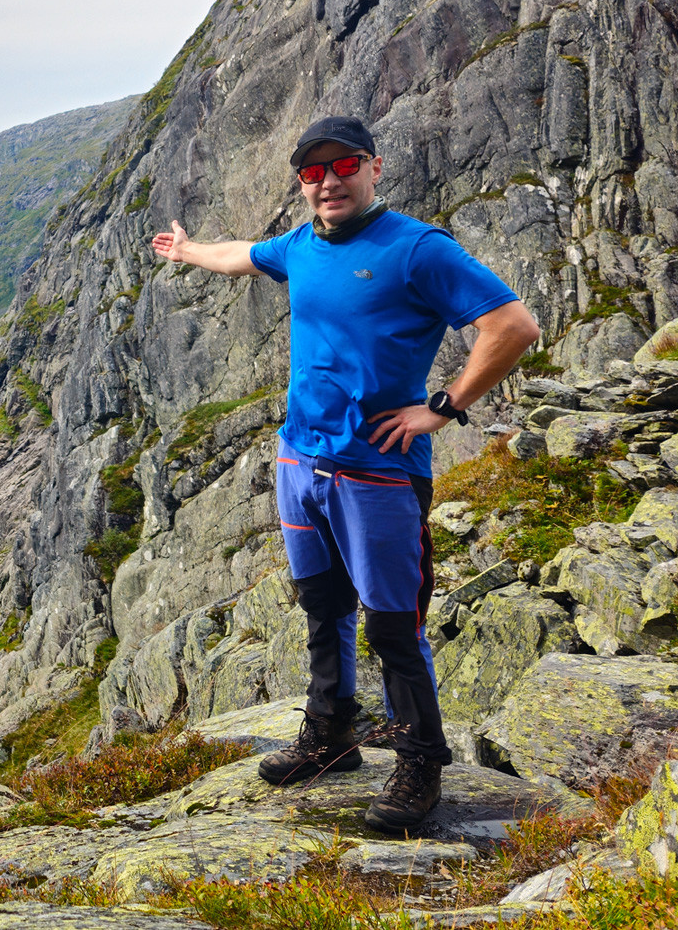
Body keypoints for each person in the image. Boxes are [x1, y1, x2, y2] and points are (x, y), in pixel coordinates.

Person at [148, 116, 541, 831]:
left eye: (344, 165)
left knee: (392, 623)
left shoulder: (416, 248)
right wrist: (189, 250)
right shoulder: (300, 245)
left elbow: (513, 325)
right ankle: (330, 734)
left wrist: (443, 407)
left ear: (374, 167)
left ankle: (420, 759)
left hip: (377, 473)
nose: (328, 181)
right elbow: (242, 255)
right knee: (322, 605)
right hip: (300, 462)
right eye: (313, 171)